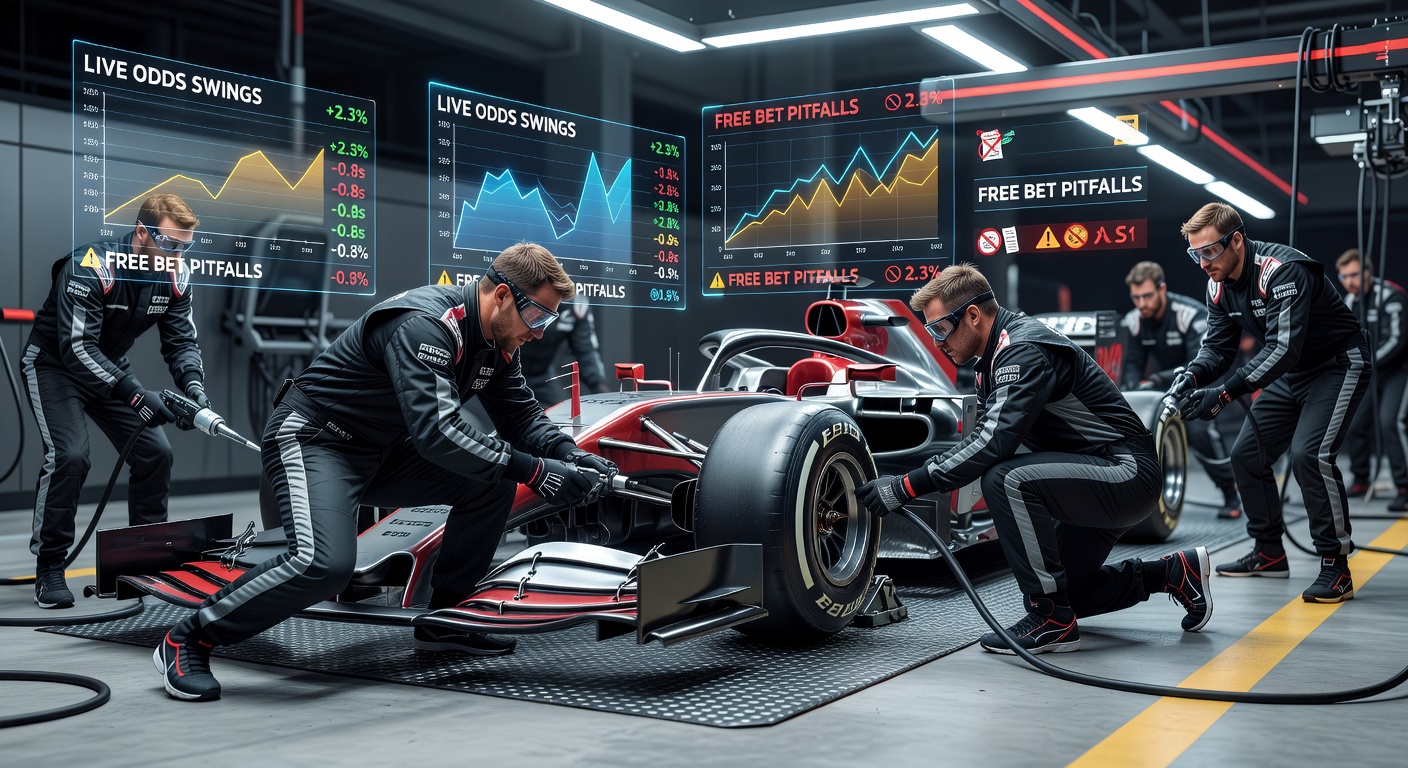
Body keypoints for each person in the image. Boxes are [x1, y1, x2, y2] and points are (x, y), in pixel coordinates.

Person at [154, 243, 615, 701]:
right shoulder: (425, 325)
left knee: (491, 484)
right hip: (317, 438)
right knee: (323, 565)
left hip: (381, 450)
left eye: (548, 321)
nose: (539, 333)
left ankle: (447, 620)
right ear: (502, 296)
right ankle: (187, 639)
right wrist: (536, 471)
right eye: (538, 316)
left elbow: (522, 417)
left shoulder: (498, 342)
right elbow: (438, 433)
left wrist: (571, 455)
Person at [855, 263, 1211, 655]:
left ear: (973, 316)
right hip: (1095, 472)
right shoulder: (991, 358)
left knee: (1006, 479)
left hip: (1125, 472)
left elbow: (992, 444)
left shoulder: (1021, 351)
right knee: (1070, 594)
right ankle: (1175, 573)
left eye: (940, 328)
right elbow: (983, 438)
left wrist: (904, 486)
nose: (938, 341)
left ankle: (1051, 621)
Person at [1173, 202, 1368, 603]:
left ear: (1237, 241)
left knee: (1309, 456)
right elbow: (1217, 348)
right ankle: (1269, 552)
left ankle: (1336, 565)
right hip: (1293, 373)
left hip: (1337, 364)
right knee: (1245, 454)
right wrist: (1191, 376)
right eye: (1195, 254)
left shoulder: (1281, 271)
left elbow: (1283, 349)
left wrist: (1224, 393)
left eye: (1209, 251)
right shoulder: (1217, 283)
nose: (1203, 262)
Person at [23, 193, 208, 610]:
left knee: (156, 453)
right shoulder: (93, 267)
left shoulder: (176, 276)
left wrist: (194, 390)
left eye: (186, 247)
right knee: (70, 456)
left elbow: (182, 342)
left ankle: (147, 561)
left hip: (108, 367)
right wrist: (135, 393)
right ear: (142, 232)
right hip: (55, 365)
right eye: (170, 245)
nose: (177, 255)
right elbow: (76, 349)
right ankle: (50, 566)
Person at [1121, 261, 1242, 519]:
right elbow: (1131, 365)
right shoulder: (1133, 321)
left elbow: (1200, 361)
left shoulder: (1189, 314)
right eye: (1135, 297)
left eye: (1147, 295)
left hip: (1200, 376)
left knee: (1199, 431)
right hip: (1164, 381)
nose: (1141, 303)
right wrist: (1131, 391)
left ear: (1162, 289)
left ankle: (1230, 495)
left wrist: (1155, 378)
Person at [1336, 249, 1408, 510]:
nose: (1349, 281)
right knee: (1354, 423)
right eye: (1344, 276)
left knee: (1390, 422)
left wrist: (1368, 361)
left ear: (1368, 272)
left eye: (1354, 274)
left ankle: (1405, 487)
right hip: (1371, 372)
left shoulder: (1391, 296)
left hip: (1399, 371)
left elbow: (1398, 340)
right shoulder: (1351, 301)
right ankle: (1361, 480)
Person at [519, 294, 609, 407]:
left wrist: (601, 390)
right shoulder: (526, 291)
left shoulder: (577, 304)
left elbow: (586, 351)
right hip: (506, 372)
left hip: (542, 375)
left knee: (563, 414)